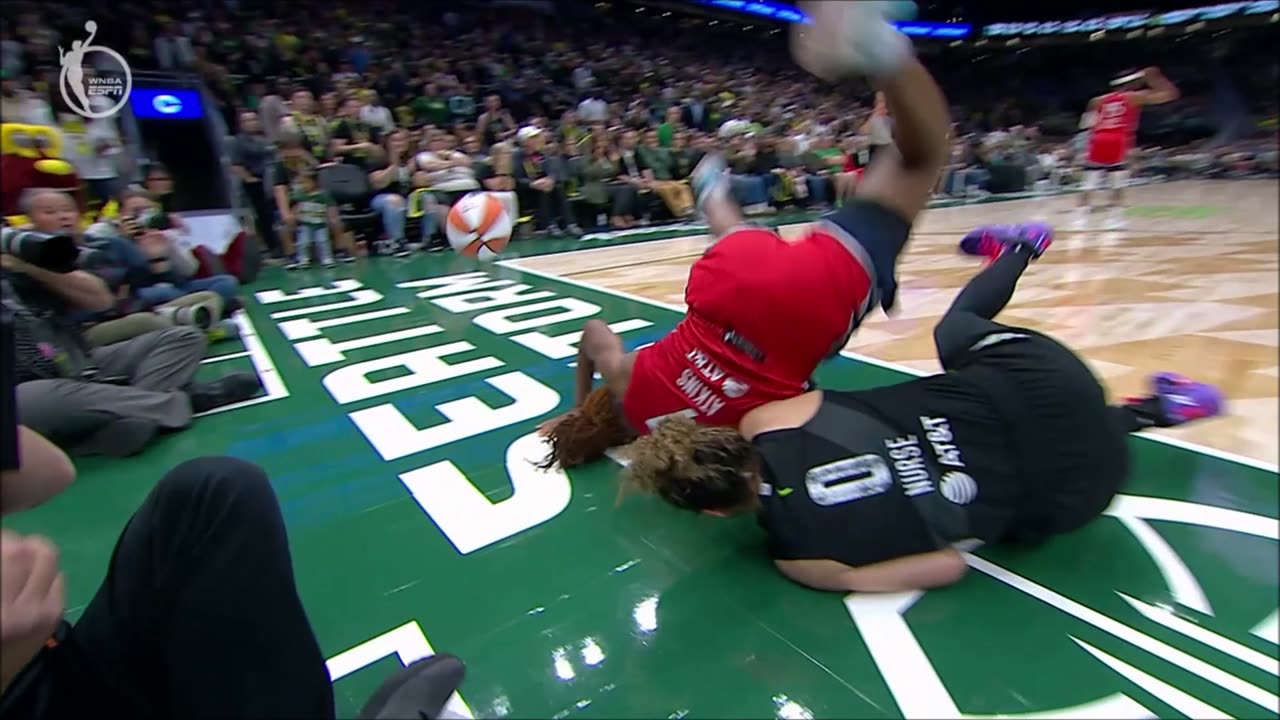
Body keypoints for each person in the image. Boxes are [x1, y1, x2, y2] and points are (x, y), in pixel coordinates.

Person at [623, 225, 1224, 593]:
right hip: (1047, 385)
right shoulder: (767, 420)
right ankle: (1020, 247)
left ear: (715, 516)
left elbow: (948, 568)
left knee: (1024, 466)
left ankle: (1154, 410)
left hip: (1082, 492)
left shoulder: (802, 561)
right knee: (955, 334)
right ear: (723, 439)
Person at [538, 1, 951, 468]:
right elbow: (593, 334)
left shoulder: (714, 454)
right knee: (737, 238)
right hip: (730, 288)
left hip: (799, 313)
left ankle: (882, 50)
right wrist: (575, 403)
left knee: (919, 159)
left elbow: (802, 418)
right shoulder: (622, 381)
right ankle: (711, 191)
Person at [0, 310, 468, 719]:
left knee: (214, 489)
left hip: (50, 664)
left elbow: (49, 473)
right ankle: (164, 407)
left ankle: (141, 412)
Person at [7, 189, 261, 457]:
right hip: (27, 385)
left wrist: (29, 266)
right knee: (27, 398)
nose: (62, 217)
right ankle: (187, 400)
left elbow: (101, 298)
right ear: (28, 219)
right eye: (50, 212)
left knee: (184, 336)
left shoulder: (66, 251)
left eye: (66, 209)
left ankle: (130, 416)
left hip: (75, 356)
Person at [1077, 67, 1179, 227]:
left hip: (1098, 139)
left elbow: (1086, 125)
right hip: (1118, 139)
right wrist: (1154, 77)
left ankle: (1080, 219)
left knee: (1089, 183)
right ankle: (1114, 219)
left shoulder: (1097, 100)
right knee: (1117, 183)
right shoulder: (1134, 97)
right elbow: (1170, 94)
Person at [289, 169, 338, 269]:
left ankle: (327, 258)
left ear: (314, 182)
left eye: (305, 182)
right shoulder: (300, 195)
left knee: (323, 241)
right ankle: (303, 259)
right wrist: (294, 216)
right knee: (303, 242)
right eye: (300, 183)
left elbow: (331, 207)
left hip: (321, 224)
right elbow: (295, 206)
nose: (302, 185)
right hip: (305, 224)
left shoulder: (323, 195)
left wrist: (332, 217)